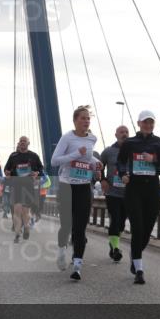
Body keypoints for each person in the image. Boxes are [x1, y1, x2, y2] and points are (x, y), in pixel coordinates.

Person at [118, 110, 160, 285]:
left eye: (151, 122)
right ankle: (139, 269)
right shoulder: (130, 143)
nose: (148, 125)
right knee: (138, 228)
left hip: (152, 189)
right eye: (145, 122)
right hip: (134, 188)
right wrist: (122, 174)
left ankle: (135, 254)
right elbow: (120, 161)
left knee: (147, 231)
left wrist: (154, 159)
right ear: (139, 123)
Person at [52, 106, 102, 280]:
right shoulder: (67, 138)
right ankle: (61, 252)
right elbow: (54, 161)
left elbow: (87, 158)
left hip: (84, 187)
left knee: (80, 228)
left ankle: (77, 265)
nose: (86, 121)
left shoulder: (92, 139)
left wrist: (96, 163)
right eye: (83, 118)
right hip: (67, 186)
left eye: (88, 119)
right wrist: (74, 154)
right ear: (75, 120)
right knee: (66, 225)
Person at [3, 136, 44, 244]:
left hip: (28, 186)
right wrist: (7, 172)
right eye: (20, 141)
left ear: (28, 143)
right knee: (16, 210)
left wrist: (36, 173)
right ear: (19, 143)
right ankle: (17, 234)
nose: (22, 143)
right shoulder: (13, 156)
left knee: (26, 211)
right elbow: (6, 169)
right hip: (16, 185)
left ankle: (26, 227)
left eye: (24, 141)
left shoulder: (33, 156)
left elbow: (41, 168)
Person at [99, 124, 130, 262]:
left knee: (122, 223)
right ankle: (116, 249)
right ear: (116, 135)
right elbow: (98, 167)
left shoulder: (133, 151)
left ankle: (113, 243)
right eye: (121, 132)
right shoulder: (108, 151)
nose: (124, 134)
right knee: (115, 219)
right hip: (112, 193)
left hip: (128, 194)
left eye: (126, 132)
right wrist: (103, 180)